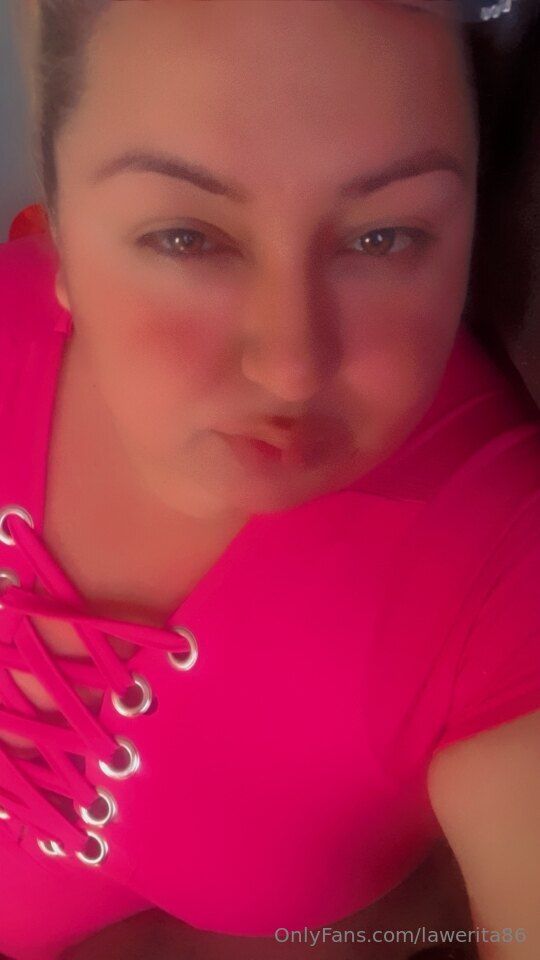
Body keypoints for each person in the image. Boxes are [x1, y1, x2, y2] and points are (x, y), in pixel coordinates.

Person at [0, 1, 539, 958]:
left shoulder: (501, 560)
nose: (291, 366)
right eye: (186, 237)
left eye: (384, 237)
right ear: (62, 229)